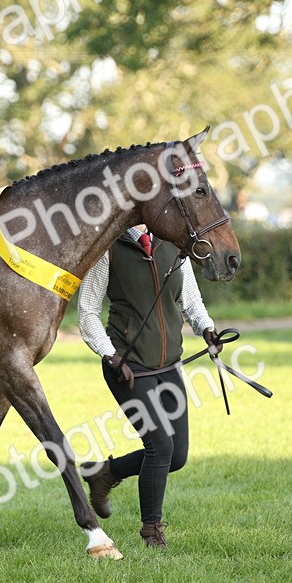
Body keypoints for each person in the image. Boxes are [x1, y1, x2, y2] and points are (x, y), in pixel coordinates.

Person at [77, 226, 222, 549]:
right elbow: (87, 311)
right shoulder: (108, 248)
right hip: (126, 367)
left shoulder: (174, 244)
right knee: (160, 446)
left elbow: (191, 303)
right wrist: (109, 354)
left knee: (177, 456)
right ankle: (151, 530)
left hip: (169, 364)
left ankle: (105, 473)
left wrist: (207, 329)